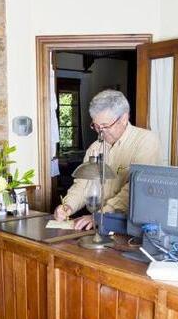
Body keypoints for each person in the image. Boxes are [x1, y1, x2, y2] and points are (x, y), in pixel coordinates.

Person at [54, 89, 161, 230]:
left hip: (130, 225)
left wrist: (100, 215)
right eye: (96, 126)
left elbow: (133, 190)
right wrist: (68, 205)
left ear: (124, 118)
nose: (100, 132)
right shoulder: (95, 147)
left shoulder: (146, 141)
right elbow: (83, 184)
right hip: (99, 222)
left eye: (105, 126)